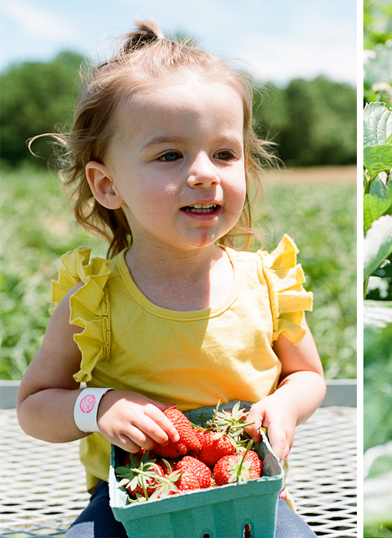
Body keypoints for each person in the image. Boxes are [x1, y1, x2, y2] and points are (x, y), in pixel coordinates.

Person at [16, 20, 326, 538]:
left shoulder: (267, 285)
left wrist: (285, 405)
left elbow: (309, 377)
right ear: (108, 185)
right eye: (169, 156)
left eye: (225, 153)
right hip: (133, 498)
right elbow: (33, 407)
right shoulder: (95, 300)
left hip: (246, 490)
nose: (205, 173)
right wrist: (100, 406)